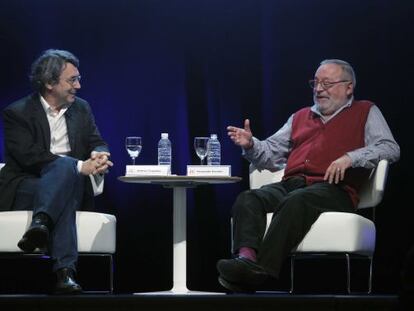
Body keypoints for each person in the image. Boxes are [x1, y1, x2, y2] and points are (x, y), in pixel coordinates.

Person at [217, 59, 400, 292]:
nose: (319, 89)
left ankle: (260, 271)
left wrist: (350, 157)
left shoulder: (365, 111)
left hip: (334, 188)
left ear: (349, 87)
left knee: (296, 201)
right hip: (292, 184)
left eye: (327, 83)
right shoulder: (300, 116)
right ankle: (246, 259)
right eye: (316, 83)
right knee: (248, 198)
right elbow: (271, 153)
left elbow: (390, 147)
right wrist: (251, 144)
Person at [0, 49, 113, 294]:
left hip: (68, 185)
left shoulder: (81, 109)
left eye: (78, 79)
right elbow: (28, 156)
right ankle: (65, 272)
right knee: (64, 168)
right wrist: (78, 166)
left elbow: (97, 141)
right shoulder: (16, 113)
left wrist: (99, 154)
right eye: (72, 80)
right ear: (50, 83)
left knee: (65, 180)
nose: (79, 86)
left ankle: (41, 223)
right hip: (26, 185)